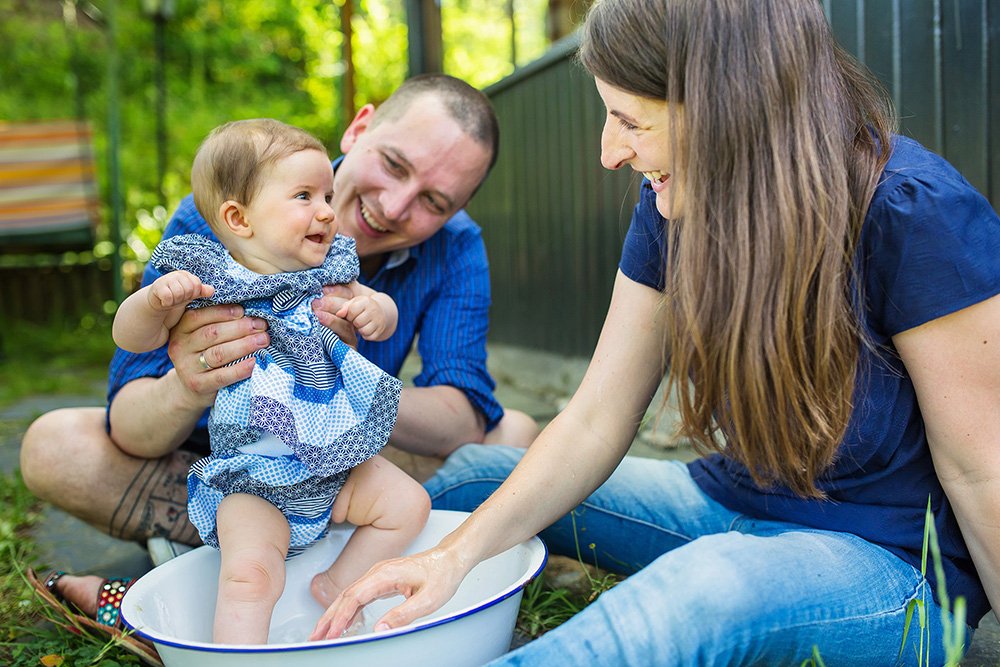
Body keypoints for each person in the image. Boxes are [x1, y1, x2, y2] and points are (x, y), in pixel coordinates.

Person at [311, 1, 1000, 664]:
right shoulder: (672, 205)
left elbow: (981, 470)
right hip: (729, 502)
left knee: (704, 585)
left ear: (726, 103)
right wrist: (451, 555)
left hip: (893, 569)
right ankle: (305, 610)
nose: (610, 152)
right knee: (477, 477)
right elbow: (594, 418)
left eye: (628, 121)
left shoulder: (913, 209)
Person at [20, 74, 537, 633]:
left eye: (434, 202)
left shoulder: (447, 247)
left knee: (515, 435)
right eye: (393, 164)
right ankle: (248, 567)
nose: (392, 206)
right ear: (359, 129)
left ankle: (180, 585)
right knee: (55, 446)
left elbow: (465, 414)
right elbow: (128, 417)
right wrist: (188, 381)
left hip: (343, 457)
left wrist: (350, 376)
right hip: (227, 457)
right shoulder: (222, 211)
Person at [112, 118, 430, 644]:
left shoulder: (331, 269)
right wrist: (151, 302)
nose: (327, 210)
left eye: (327, 194)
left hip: (334, 463)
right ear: (239, 218)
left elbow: (378, 307)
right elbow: (132, 339)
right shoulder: (207, 278)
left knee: (408, 505)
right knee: (250, 576)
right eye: (304, 195)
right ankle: (238, 656)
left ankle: (337, 586)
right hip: (254, 476)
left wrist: (377, 309)